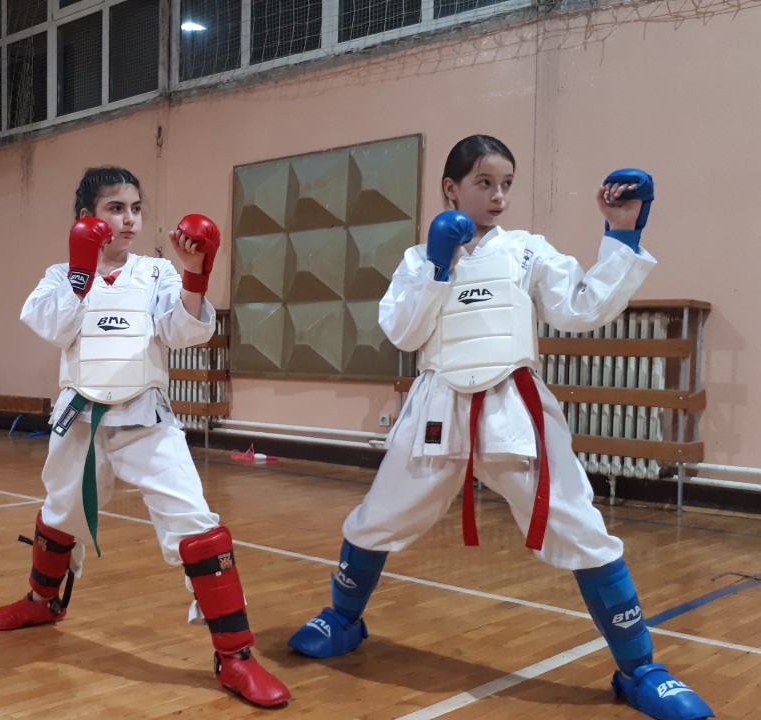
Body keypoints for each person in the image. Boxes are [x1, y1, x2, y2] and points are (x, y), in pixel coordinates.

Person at [288, 135, 713, 720]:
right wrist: (438, 266)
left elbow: (581, 308)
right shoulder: (417, 259)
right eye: (484, 183)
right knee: (379, 516)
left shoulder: (525, 252)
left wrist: (621, 233)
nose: (498, 196)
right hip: (437, 409)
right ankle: (342, 619)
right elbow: (404, 333)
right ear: (451, 188)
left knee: (577, 524)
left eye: (506, 184)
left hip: (513, 407)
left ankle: (639, 668)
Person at [0, 166, 290, 708]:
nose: (128, 219)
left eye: (135, 208)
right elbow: (53, 328)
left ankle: (236, 656)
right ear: (87, 217)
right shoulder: (59, 275)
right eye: (115, 208)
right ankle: (41, 601)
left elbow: (183, 331)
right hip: (80, 421)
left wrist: (195, 275)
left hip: (147, 422)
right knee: (60, 514)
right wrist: (81, 272)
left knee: (196, 525)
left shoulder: (156, 273)